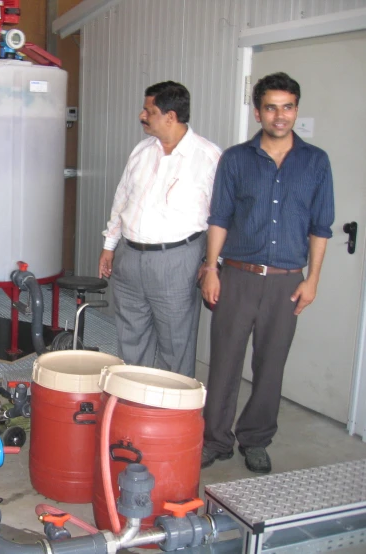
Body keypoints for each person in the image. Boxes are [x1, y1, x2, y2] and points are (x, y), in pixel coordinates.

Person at [199, 72, 335, 474]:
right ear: (258, 112)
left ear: (296, 109)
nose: (280, 116)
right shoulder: (236, 159)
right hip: (237, 276)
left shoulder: (315, 162)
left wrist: (312, 280)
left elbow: (321, 227)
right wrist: (211, 269)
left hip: (286, 281)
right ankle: (215, 439)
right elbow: (219, 217)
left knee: (271, 365)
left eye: (288, 107)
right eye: (271, 107)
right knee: (224, 362)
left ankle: (255, 439)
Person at [98, 81, 221, 378]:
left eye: (149, 110)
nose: (142, 115)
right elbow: (122, 199)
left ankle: (170, 416)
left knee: (175, 343)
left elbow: (222, 217)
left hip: (177, 260)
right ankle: (132, 407)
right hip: (130, 257)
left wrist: (213, 264)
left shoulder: (209, 157)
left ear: (170, 116)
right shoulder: (142, 151)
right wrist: (109, 246)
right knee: (130, 339)